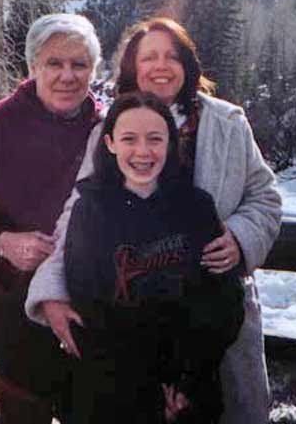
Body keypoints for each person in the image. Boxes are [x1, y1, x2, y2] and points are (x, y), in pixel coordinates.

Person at [26, 17, 282, 423]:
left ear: (187, 64)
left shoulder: (227, 123)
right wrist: (51, 292)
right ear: (133, 67)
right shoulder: (111, 128)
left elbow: (265, 198)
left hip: (212, 315)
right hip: (130, 339)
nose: (161, 66)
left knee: (228, 408)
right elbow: (78, 214)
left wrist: (238, 237)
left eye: (171, 56)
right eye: (149, 57)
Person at [0, 13, 102, 424]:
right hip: (14, 313)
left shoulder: (107, 129)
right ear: (32, 67)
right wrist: (2, 240)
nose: (67, 75)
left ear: (93, 70)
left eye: (79, 64)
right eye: (54, 63)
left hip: (88, 308)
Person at [62, 91, 244, 423]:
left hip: (188, 391)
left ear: (170, 143)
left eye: (155, 139)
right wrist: (141, 393)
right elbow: (87, 304)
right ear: (110, 143)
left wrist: (188, 380)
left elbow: (224, 301)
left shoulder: (196, 207)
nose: (143, 151)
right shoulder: (89, 209)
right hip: (113, 392)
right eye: (129, 138)